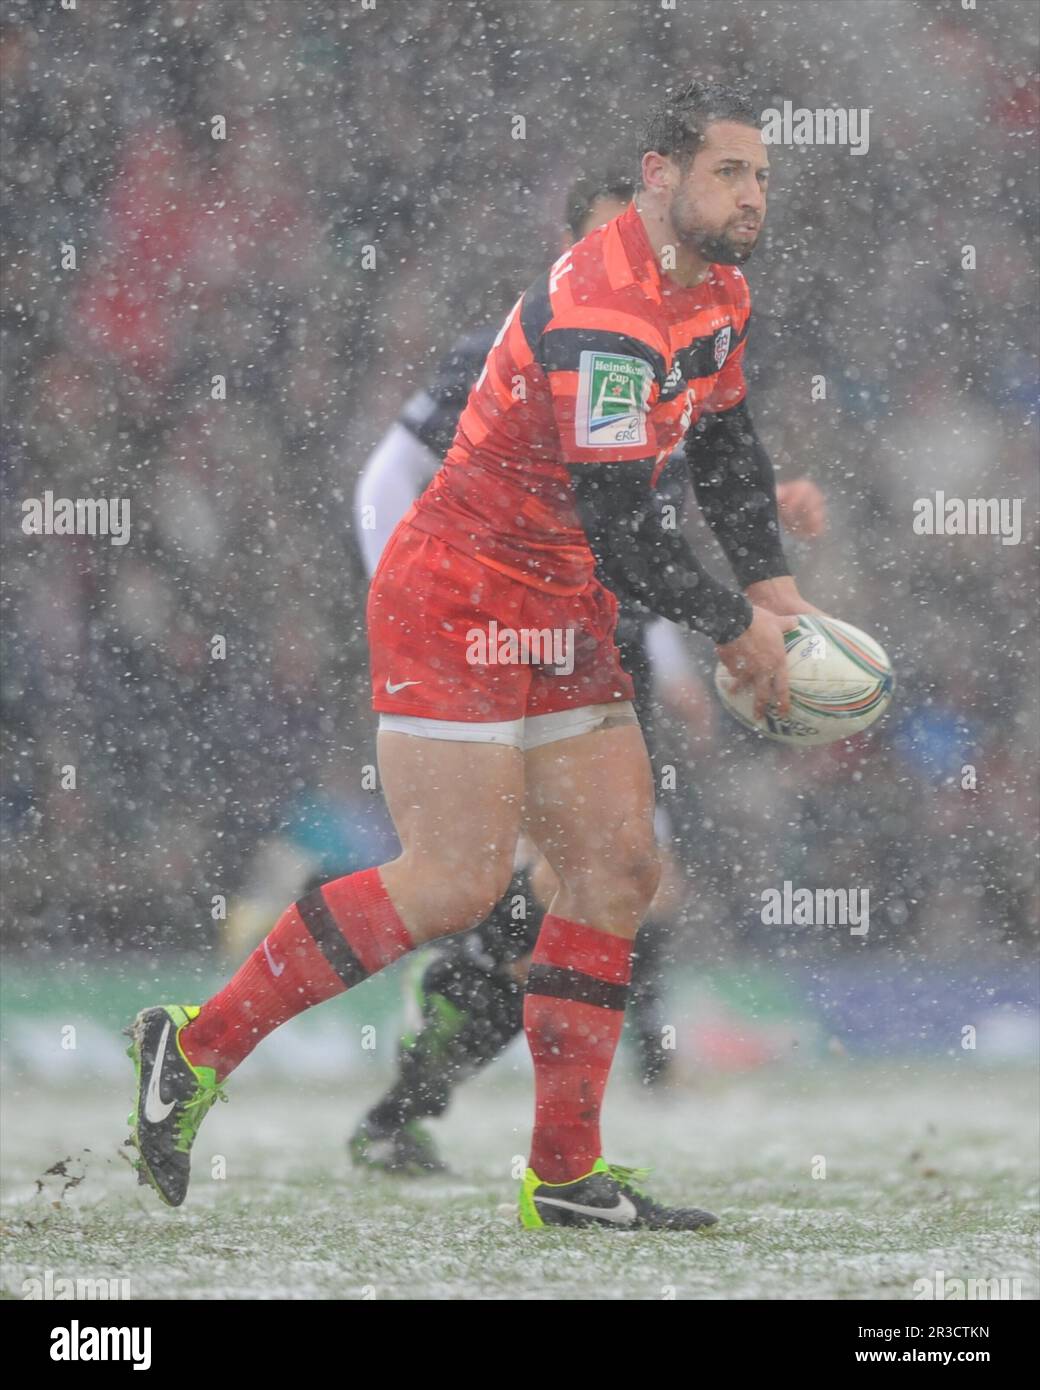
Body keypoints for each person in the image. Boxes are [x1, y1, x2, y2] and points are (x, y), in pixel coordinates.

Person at [127, 79, 823, 1230]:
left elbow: (728, 446)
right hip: (459, 599)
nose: (751, 196)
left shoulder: (717, 294)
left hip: (565, 603)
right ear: (658, 174)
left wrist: (774, 593)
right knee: (450, 880)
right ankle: (189, 1053)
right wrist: (730, 628)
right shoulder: (603, 312)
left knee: (613, 872)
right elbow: (619, 521)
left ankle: (563, 1176)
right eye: (727, 172)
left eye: (759, 175)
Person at [347, 174, 826, 1174]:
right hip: (497, 643)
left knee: (625, 880)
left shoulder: (664, 344)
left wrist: (745, 534)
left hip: (597, 645)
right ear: (568, 247)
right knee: (546, 886)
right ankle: (437, 1089)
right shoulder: (510, 348)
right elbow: (385, 476)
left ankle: (476, 1084)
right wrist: (413, 609)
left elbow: (638, 514)